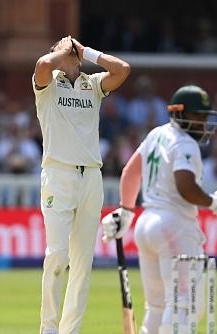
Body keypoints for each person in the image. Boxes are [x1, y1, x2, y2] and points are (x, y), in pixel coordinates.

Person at [101, 85, 217, 334]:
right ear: (181, 114)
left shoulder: (156, 134)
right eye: (199, 116)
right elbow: (185, 186)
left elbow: (131, 172)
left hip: (146, 226)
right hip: (174, 227)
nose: (204, 123)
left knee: (157, 306)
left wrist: (126, 210)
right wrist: (215, 203)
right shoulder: (185, 144)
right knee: (184, 305)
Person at [32, 35, 130, 334]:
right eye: (64, 50)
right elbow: (41, 64)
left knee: (82, 264)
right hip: (58, 175)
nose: (70, 50)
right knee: (58, 255)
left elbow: (123, 69)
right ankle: (48, 328)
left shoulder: (93, 84)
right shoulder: (48, 83)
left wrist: (87, 51)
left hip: (91, 176)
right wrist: (62, 52)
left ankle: (69, 330)